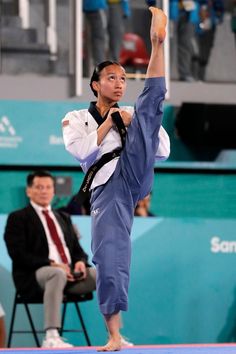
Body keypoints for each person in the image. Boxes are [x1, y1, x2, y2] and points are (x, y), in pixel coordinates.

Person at [62, 6, 170, 351]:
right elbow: (81, 152)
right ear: (96, 84)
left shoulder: (132, 111)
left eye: (124, 78)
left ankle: (158, 43)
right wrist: (111, 122)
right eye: (112, 78)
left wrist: (135, 124)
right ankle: (114, 336)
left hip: (136, 172)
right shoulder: (76, 117)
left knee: (151, 105)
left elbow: (161, 148)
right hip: (107, 188)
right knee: (110, 257)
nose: (119, 83)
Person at [4, 170, 96, 348]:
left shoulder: (64, 217)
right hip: (35, 277)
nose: (44, 191)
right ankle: (51, 337)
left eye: (48, 187)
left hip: (69, 276)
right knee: (56, 274)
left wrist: (79, 262)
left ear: (54, 191)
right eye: (39, 187)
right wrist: (52, 264)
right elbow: (18, 254)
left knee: (101, 274)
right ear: (29, 191)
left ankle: (114, 333)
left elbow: (78, 250)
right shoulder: (18, 218)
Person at [197, 0, 224, 81]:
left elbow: (220, 7)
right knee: (198, 47)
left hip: (210, 22)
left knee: (207, 47)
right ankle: (196, 73)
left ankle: (201, 74)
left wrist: (218, 17)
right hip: (198, 20)